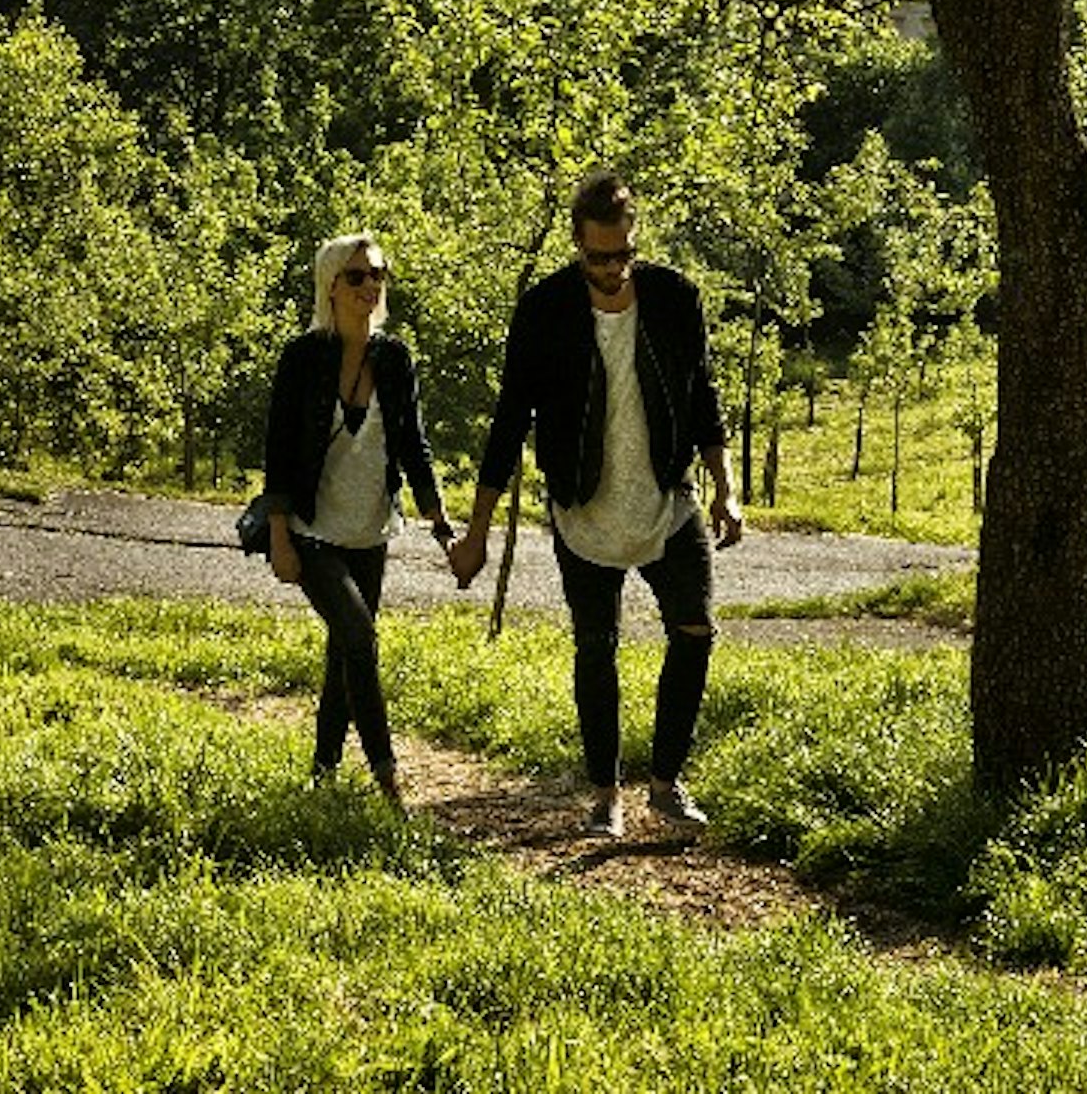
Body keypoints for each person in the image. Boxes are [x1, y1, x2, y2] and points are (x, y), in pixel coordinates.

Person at [447, 172, 744, 842]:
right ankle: (606, 795)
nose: (613, 269)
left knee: (695, 631)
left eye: (624, 255)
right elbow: (507, 423)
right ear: (576, 245)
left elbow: (703, 396)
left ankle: (665, 786)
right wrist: (476, 534)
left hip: (667, 500)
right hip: (583, 506)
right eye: (598, 257)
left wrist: (724, 485)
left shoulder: (674, 297)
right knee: (595, 646)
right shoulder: (545, 308)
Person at [262, 231, 454, 806]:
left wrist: (441, 520)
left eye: (378, 275)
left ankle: (322, 775)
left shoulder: (394, 359)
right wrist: (279, 537)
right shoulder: (303, 357)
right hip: (311, 531)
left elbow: (414, 444)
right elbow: (277, 449)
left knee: (345, 651)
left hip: (371, 529)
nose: (370, 285)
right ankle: (387, 775)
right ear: (330, 285)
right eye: (357, 276)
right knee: (360, 637)